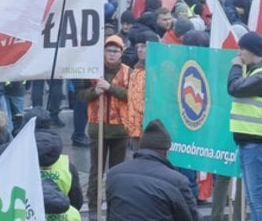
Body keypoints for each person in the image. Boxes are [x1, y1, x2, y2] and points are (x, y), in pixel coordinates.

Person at [76, 34, 131, 217]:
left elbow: (131, 97)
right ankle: (94, 208)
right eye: (109, 50)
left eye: (116, 51)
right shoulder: (92, 70)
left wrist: (110, 88)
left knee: (117, 174)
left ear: (121, 53)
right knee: (95, 172)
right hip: (96, 128)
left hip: (120, 130)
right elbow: (80, 95)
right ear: (103, 52)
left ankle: (115, 207)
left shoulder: (127, 72)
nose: (112, 54)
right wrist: (94, 91)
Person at [106, 119, 202, 221]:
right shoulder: (177, 182)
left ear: (141, 147)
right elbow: (192, 218)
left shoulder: (113, 174)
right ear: (166, 152)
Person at [228, 31, 262, 220]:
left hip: (257, 141)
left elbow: (234, 88)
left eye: (241, 49)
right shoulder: (261, 71)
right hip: (251, 139)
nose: (239, 53)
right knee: (253, 197)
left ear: (250, 50)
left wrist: (235, 67)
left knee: (257, 198)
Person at [125, 32, 159, 151]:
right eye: (138, 47)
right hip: (135, 129)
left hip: (152, 129)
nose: (140, 50)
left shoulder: (160, 70)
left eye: (144, 46)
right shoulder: (135, 70)